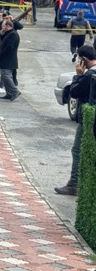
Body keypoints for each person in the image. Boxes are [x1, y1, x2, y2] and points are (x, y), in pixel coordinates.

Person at [55, 44, 96, 196]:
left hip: (88, 118)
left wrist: (78, 75)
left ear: (84, 60)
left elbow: (75, 92)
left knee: (77, 150)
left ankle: (74, 183)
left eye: (79, 59)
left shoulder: (88, 75)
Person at [0, 19, 20, 101]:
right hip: (5, 59)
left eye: (3, 26)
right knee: (4, 75)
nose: (1, 27)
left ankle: (14, 91)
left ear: (8, 26)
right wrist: (2, 34)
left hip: (9, 59)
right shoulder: (8, 33)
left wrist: (2, 53)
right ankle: (9, 93)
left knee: (6, 76)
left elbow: (9, 47)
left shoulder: (13, 34)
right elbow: (4, 41)